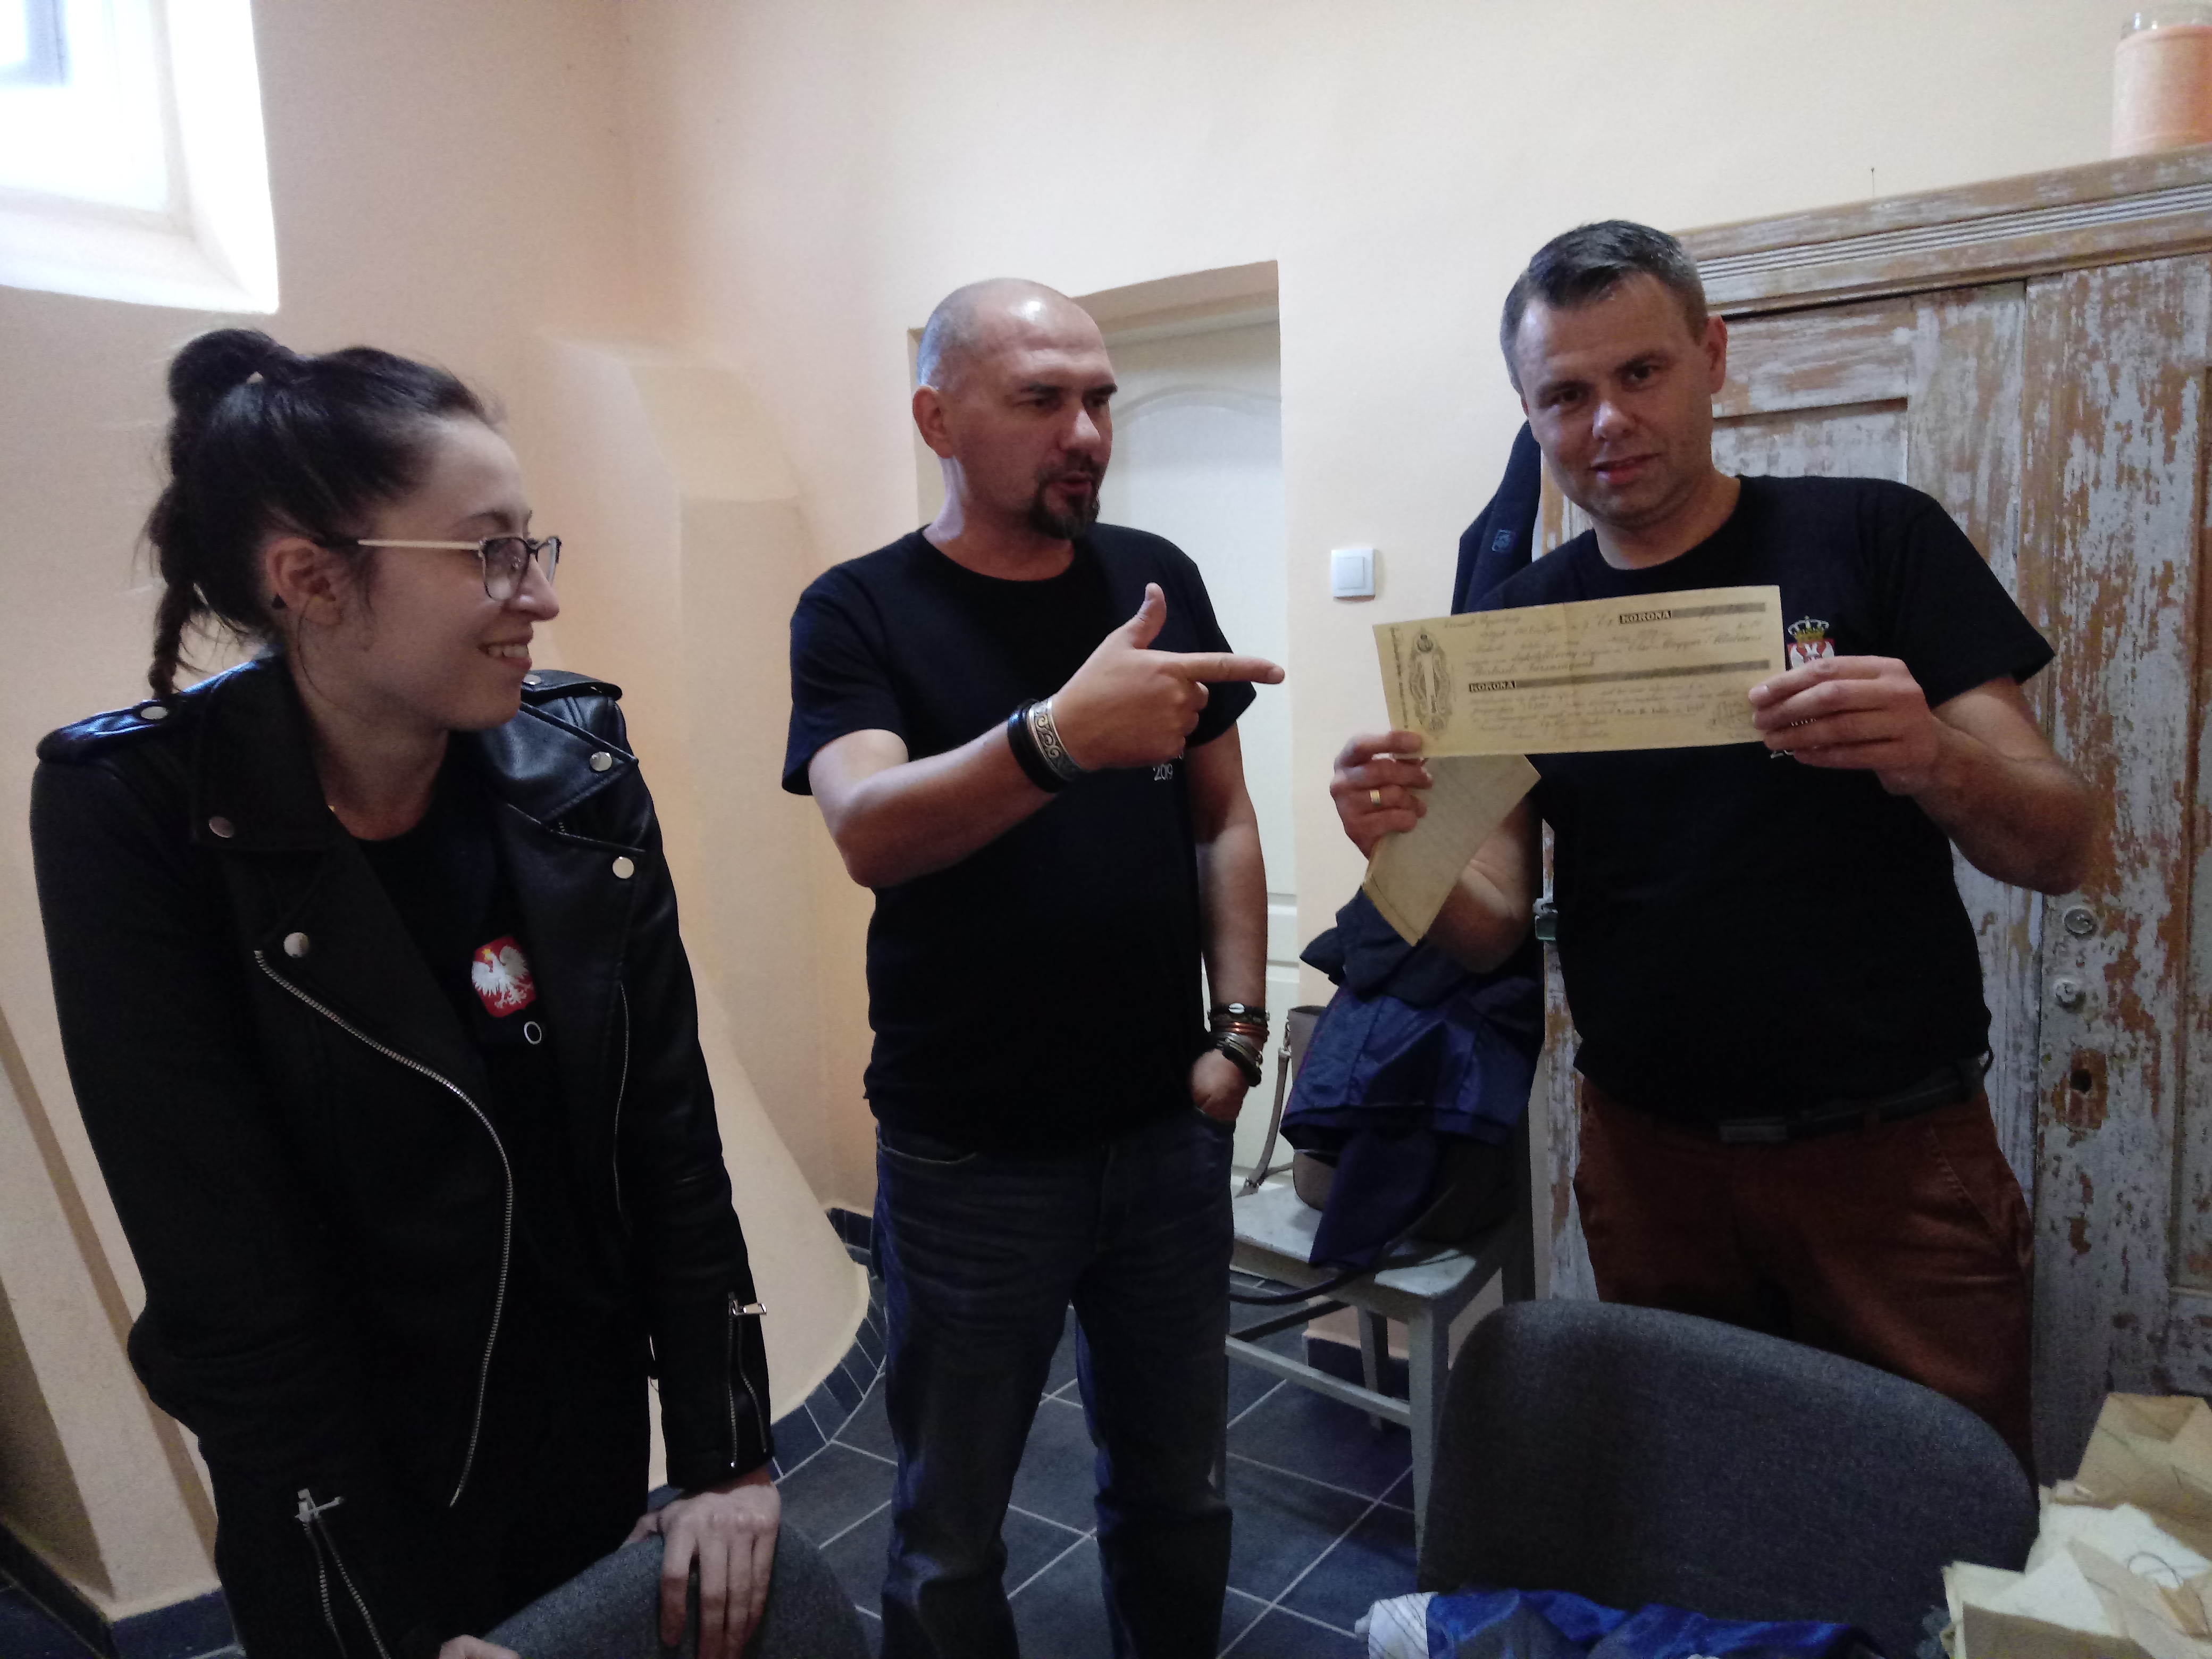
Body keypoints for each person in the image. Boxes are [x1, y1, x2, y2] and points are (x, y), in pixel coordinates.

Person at [29, 330, 866, 1659]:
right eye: (489, 551)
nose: (539, 595)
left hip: (582, 1435)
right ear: (311, 579)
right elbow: (225, 1273)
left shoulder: (576, 759)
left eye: (534, 544)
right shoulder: (137, 813)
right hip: (346, 1504)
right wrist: (374, 1624)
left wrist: (724, 1457)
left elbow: (665, 1134)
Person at [1331, 222, 2091, 1471]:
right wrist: (1395, 850)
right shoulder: (1513, 623)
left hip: (1892, 1161)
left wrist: (1930, 757)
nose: (1608, 422)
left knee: (1944, 1516)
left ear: (1712, 357)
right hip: (1649, 1167)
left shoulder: (1874, 534)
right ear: (1529, 413)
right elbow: (1487, 923)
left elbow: (2059, 843)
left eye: (1641, 373)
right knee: (1693, 1513)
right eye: (1564, 395)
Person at [783, 278, 1283, 1657]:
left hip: (1162, 1133)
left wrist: (1239, 1031)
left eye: (1099, 400)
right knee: (949, 1533)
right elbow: (869, 833)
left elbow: (1222, 819)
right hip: (968, 1157)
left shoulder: (1151, 576)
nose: (1085, 433)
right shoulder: (858, 608)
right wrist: (1060, 736)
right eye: (1041, 400)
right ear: (937, 417)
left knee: (1179, 1493)